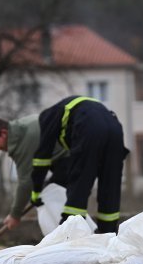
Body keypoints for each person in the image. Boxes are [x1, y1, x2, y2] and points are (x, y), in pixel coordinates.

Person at [29, 96, 128, 234]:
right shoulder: (71, 110)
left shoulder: (47, 117)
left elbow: (41, 159)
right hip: (115, 128)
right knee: (110, 186)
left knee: (80, 182)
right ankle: (108, 234)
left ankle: (70, 233)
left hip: (89, 127)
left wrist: (36, 191)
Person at [0, 115, 69, 231]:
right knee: (49, 191)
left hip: (72, 154)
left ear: (4, 133)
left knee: (53, 193)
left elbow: (26, 183)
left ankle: (69, 234)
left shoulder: (22, 143)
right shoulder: (19, 129)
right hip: (63, 156)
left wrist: (14, 215)